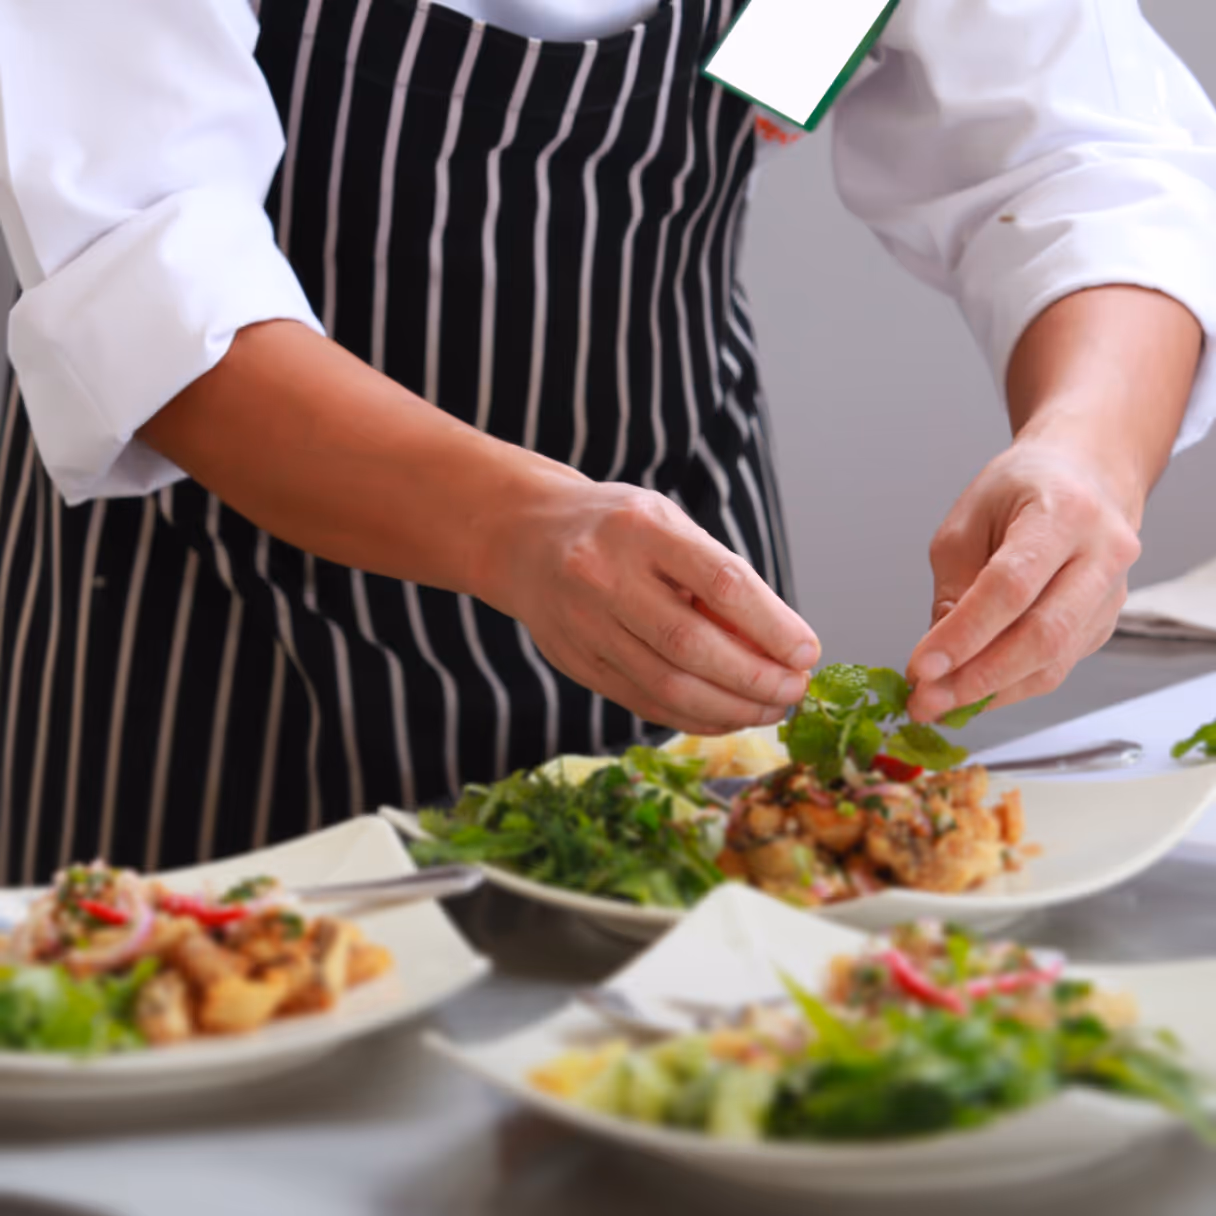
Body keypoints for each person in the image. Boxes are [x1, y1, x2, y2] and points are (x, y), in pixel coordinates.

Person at [0, 0, 1212, 884]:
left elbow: (1089, 149)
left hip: (688, 559)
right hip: (214, 628)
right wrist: (517, 529)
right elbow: (143, 271)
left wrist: (1086, 458)